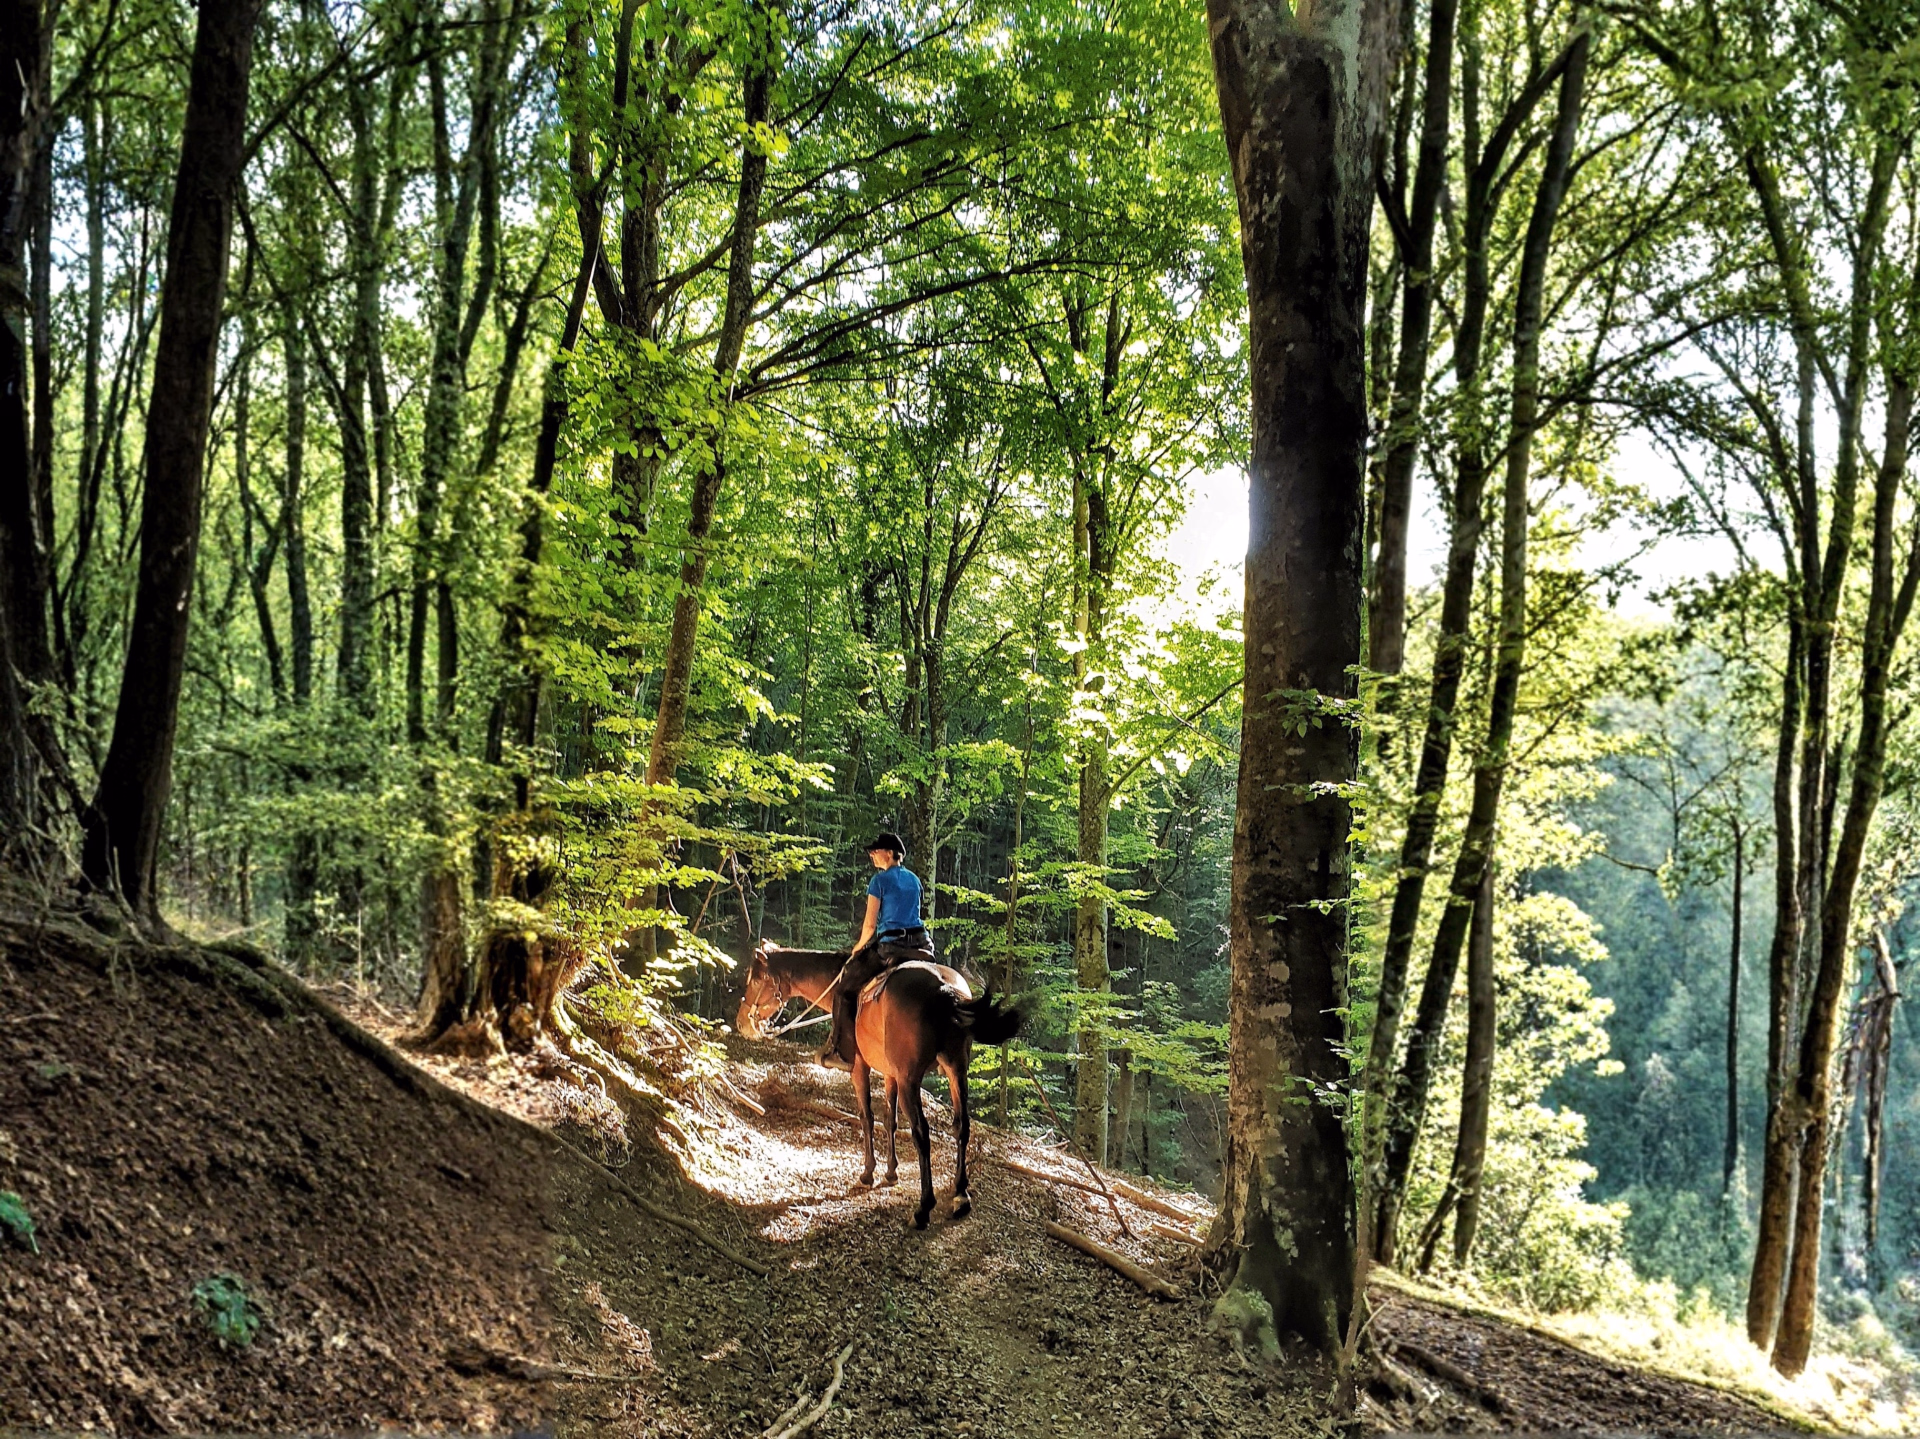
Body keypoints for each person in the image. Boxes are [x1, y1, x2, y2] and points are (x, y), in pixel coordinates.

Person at [819, 832, 934, 1069]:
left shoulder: (879, 881)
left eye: (876, 851)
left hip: (892, 947)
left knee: (844, 989)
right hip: (922, 945)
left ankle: (841, 1052)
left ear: (890, 854)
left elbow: (870, 926)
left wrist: (857, 948)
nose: (872, 855)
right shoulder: (914, 880)